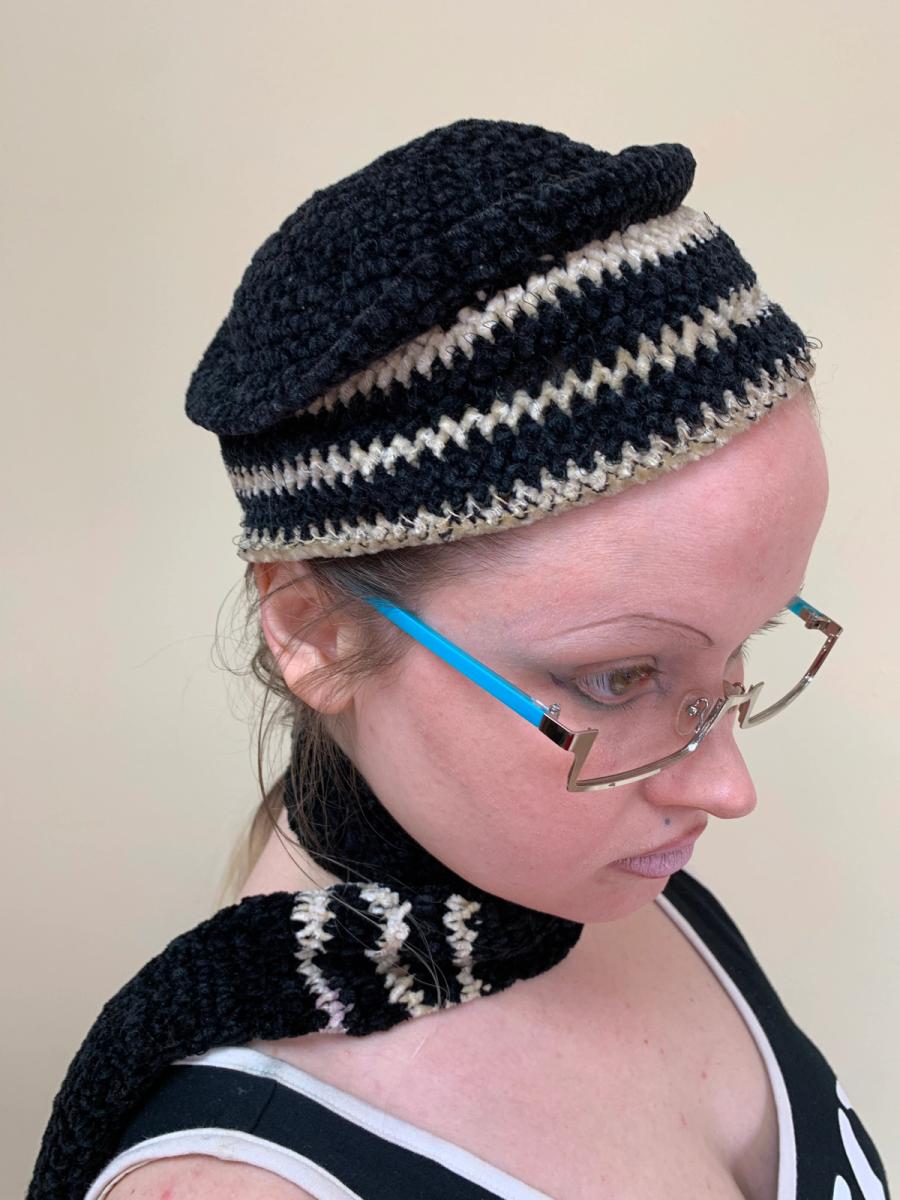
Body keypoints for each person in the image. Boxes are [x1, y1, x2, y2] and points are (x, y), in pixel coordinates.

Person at [29, 118, 891, 1200]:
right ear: (314, 630)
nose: (726, 787)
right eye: (622, 679)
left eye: (750, 638)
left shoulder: (601, 890)